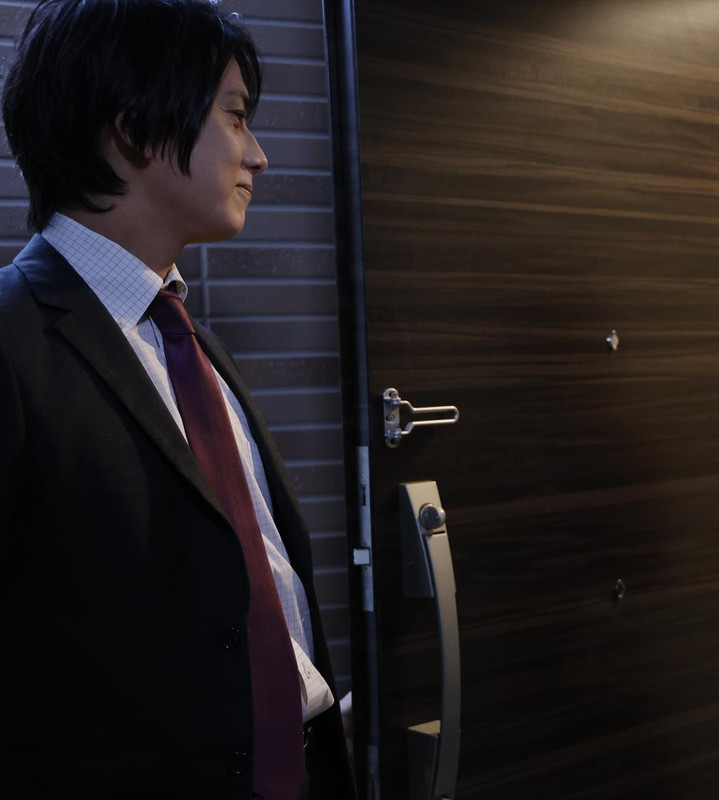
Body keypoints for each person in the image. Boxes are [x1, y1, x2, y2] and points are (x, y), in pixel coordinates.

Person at [0, 1, 354, 798]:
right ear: (133, 130)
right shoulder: (12, 340)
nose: (258, 154)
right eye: (235, 116)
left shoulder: (190, 341)